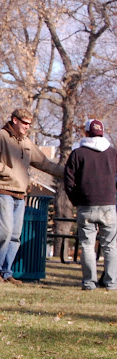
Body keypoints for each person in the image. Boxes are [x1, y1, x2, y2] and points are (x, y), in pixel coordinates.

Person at [0, 108, 64, 285]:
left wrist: (68, 173)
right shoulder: (0, 136)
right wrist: (4, 171)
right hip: (2, 191)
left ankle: (6, 272)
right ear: (14, 120)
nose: (27, 127)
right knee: (4, 233)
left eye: (29, 124)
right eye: (24, 123)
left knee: (15, 236)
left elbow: (44, 163)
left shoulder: (27, 143)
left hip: (20, 195)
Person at [64, 119, 117, 291]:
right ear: (102, 133)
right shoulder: (112, 153)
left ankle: (89, 282)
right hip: (108, 204)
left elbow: (68, 180)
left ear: (86, 133)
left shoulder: (78, 154)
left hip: (86, 205)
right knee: (110, 246)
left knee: (87, 245)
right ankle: (111, 283)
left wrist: (76, 200)